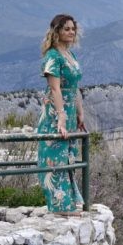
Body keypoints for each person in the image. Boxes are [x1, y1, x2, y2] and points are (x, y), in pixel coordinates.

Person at [36, 13, 87, 215]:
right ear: (56, 31)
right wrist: (62, 118)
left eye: (73, 29)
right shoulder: (52, 56)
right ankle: (60, 206)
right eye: (66, 29)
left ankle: (71, 202)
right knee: (55, 157)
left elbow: (74, 88)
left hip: (70, 109)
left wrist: (80, 113)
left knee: (67, 157)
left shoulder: (70, 55)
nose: (71, 32)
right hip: (55, 113)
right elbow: (55, 89)